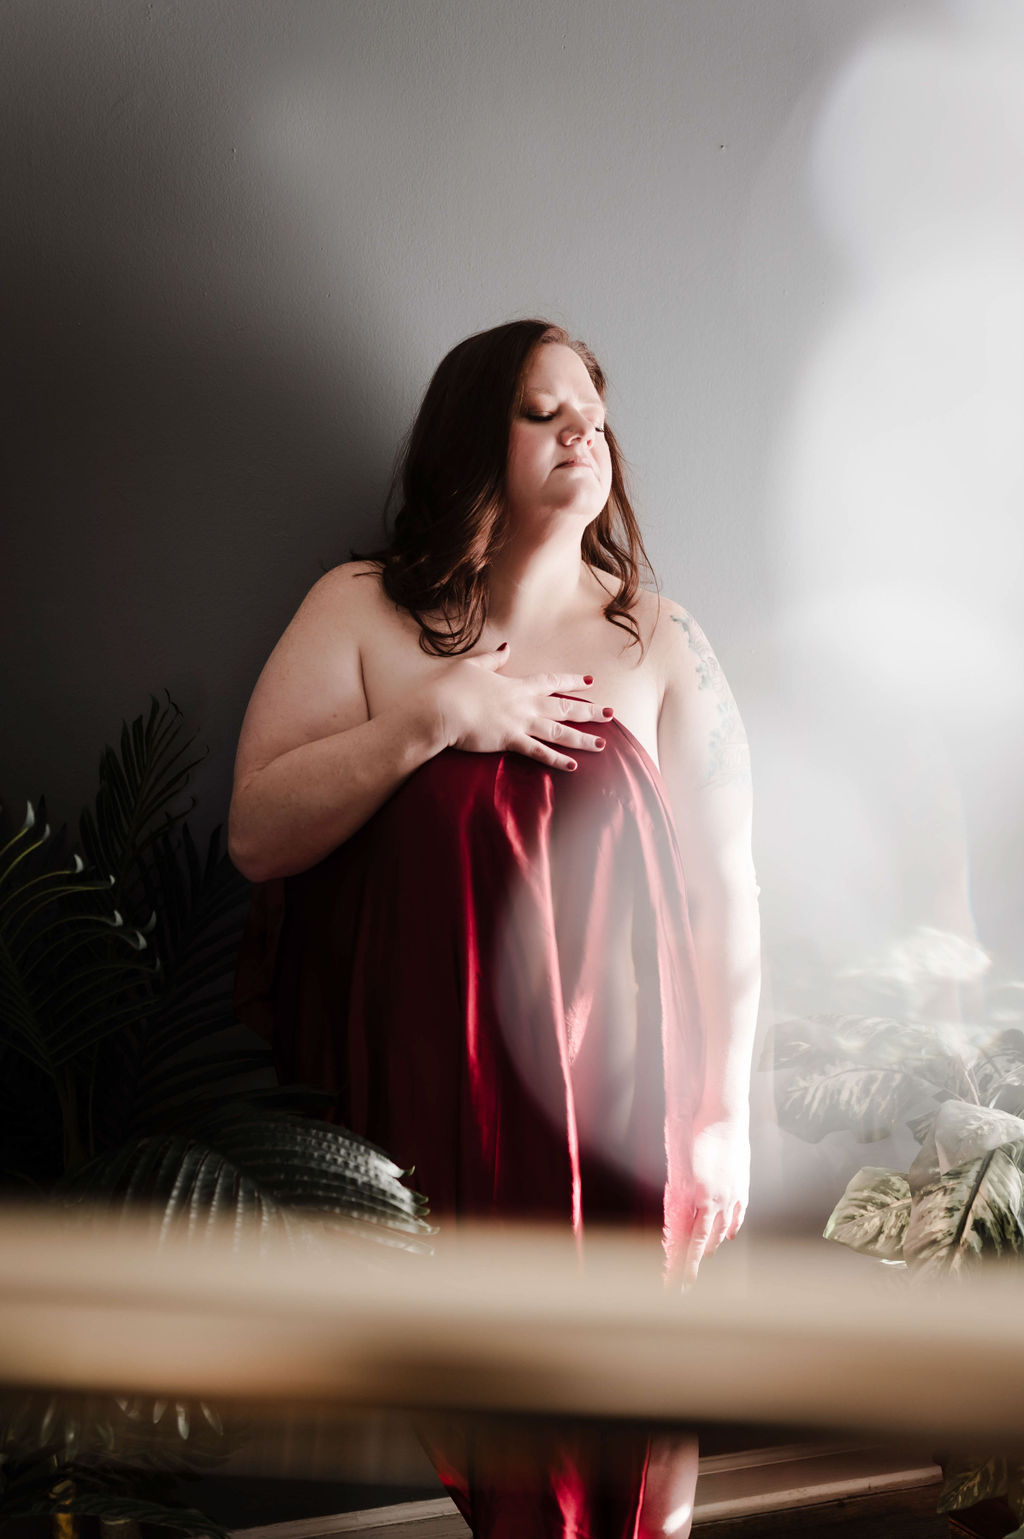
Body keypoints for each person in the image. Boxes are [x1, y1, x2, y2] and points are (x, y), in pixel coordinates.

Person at [229, 319, 761, 1539]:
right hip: (438, 1099)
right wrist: (434, 717)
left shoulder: (658, 639)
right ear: (478, 441)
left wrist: (722, 1110)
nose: (584, 426)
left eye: (593, 406)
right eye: (541, 409)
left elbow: (725, 892)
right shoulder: (361, 609)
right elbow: (258, 835)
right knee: (488, 1415)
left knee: (642, 1406)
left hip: (630, 1093)